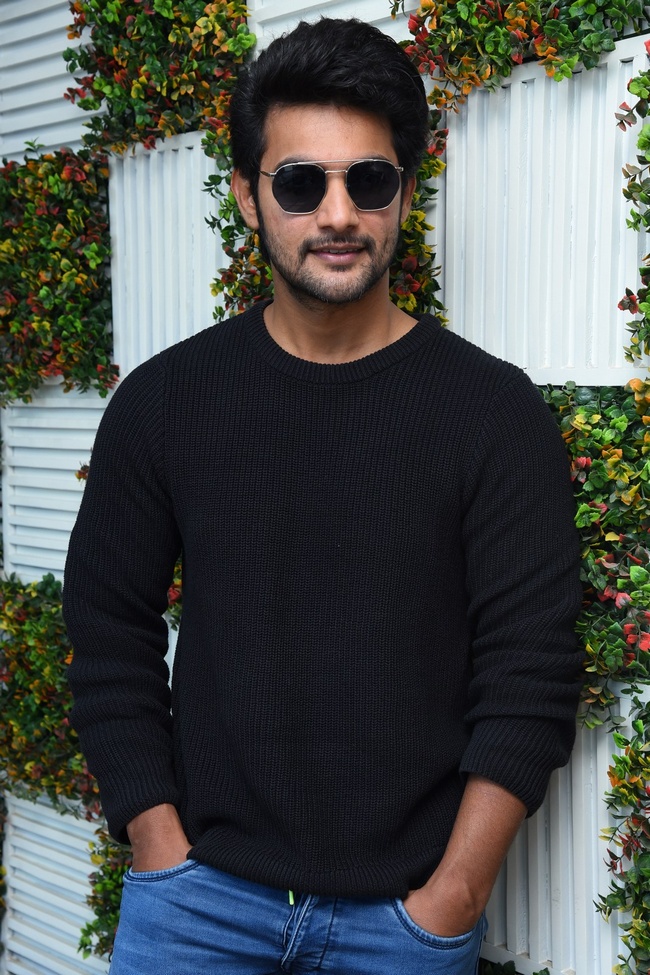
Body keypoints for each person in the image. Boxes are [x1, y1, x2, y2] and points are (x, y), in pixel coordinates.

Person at [63, 17, 583, 975]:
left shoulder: (492, 413)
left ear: (404, 192)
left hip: (403, 925)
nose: (338, 213)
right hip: (196, 911)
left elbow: (533, 671)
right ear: (248, 196)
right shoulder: (166, 403)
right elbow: (105, 628)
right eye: (300, 183)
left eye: (368, 180)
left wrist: (453, 896)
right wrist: (156, 840)